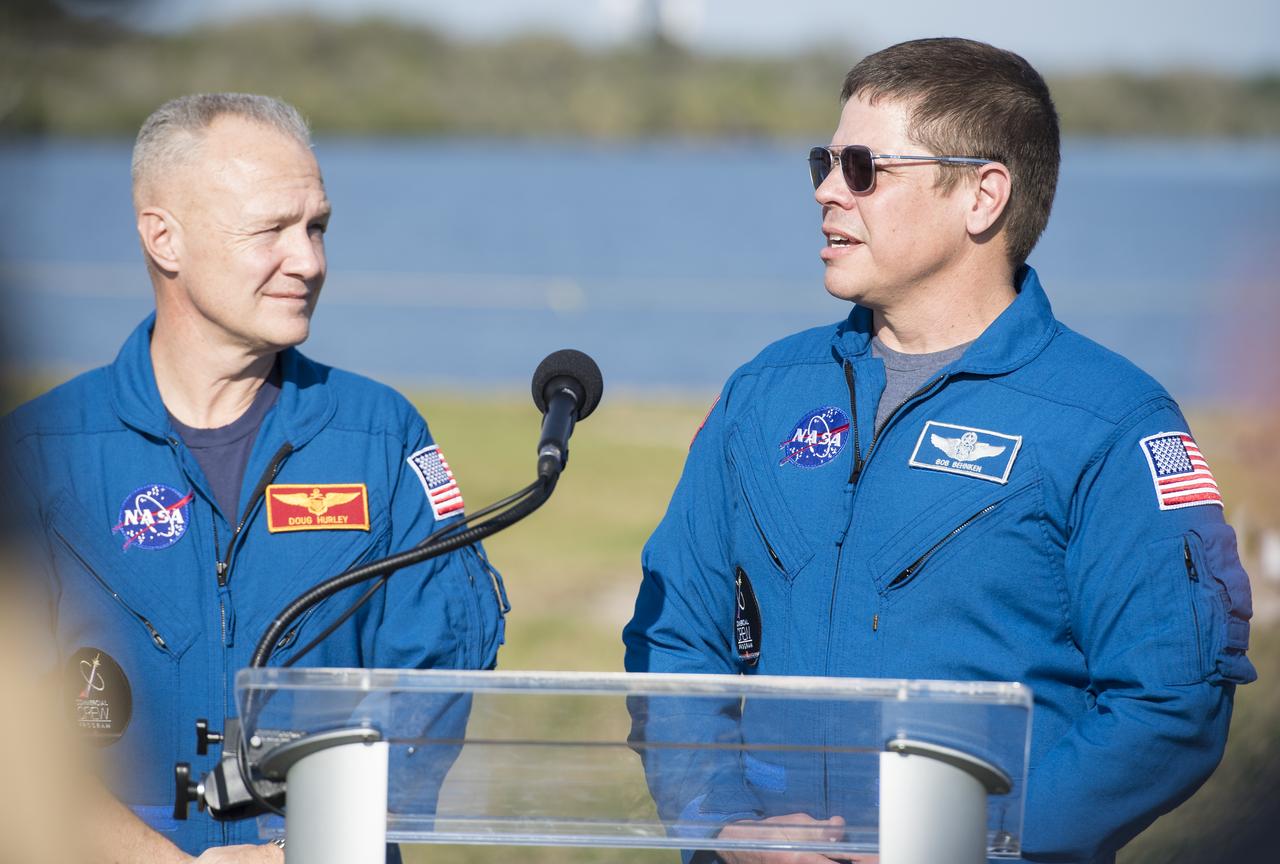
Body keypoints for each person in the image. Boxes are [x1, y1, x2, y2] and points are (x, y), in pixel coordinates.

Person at [623, 38, 1256, 863]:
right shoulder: (764, 393)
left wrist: (966, 837)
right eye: (825, 160)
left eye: (862, 167)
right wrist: (722, 822)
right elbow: (676, 640)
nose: (824, 190)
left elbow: (1168, 706)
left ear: (983, 196)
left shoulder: (1111, 422)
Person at [1, 94, 508, 861]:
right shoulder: (40, 449)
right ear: (163, 238)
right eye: (271, 229)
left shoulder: (379, 437)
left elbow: (433, 684)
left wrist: (295, 852)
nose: (308, 260)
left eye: (317, 227)